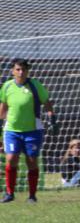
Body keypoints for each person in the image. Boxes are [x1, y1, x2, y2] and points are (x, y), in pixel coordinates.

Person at [0, 59, 56, 203]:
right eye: (18, 69)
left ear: (27, 71)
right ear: (12, 71)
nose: (21, 72)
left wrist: (52, 119)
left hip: (33, 130)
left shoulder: (35, 85)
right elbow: (3, 108)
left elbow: (47, 103)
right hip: (12, 130)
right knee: (11, 159)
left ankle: (32, 196)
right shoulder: (7, 87)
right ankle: (9, 194)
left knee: (31, 161)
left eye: (24, 69)